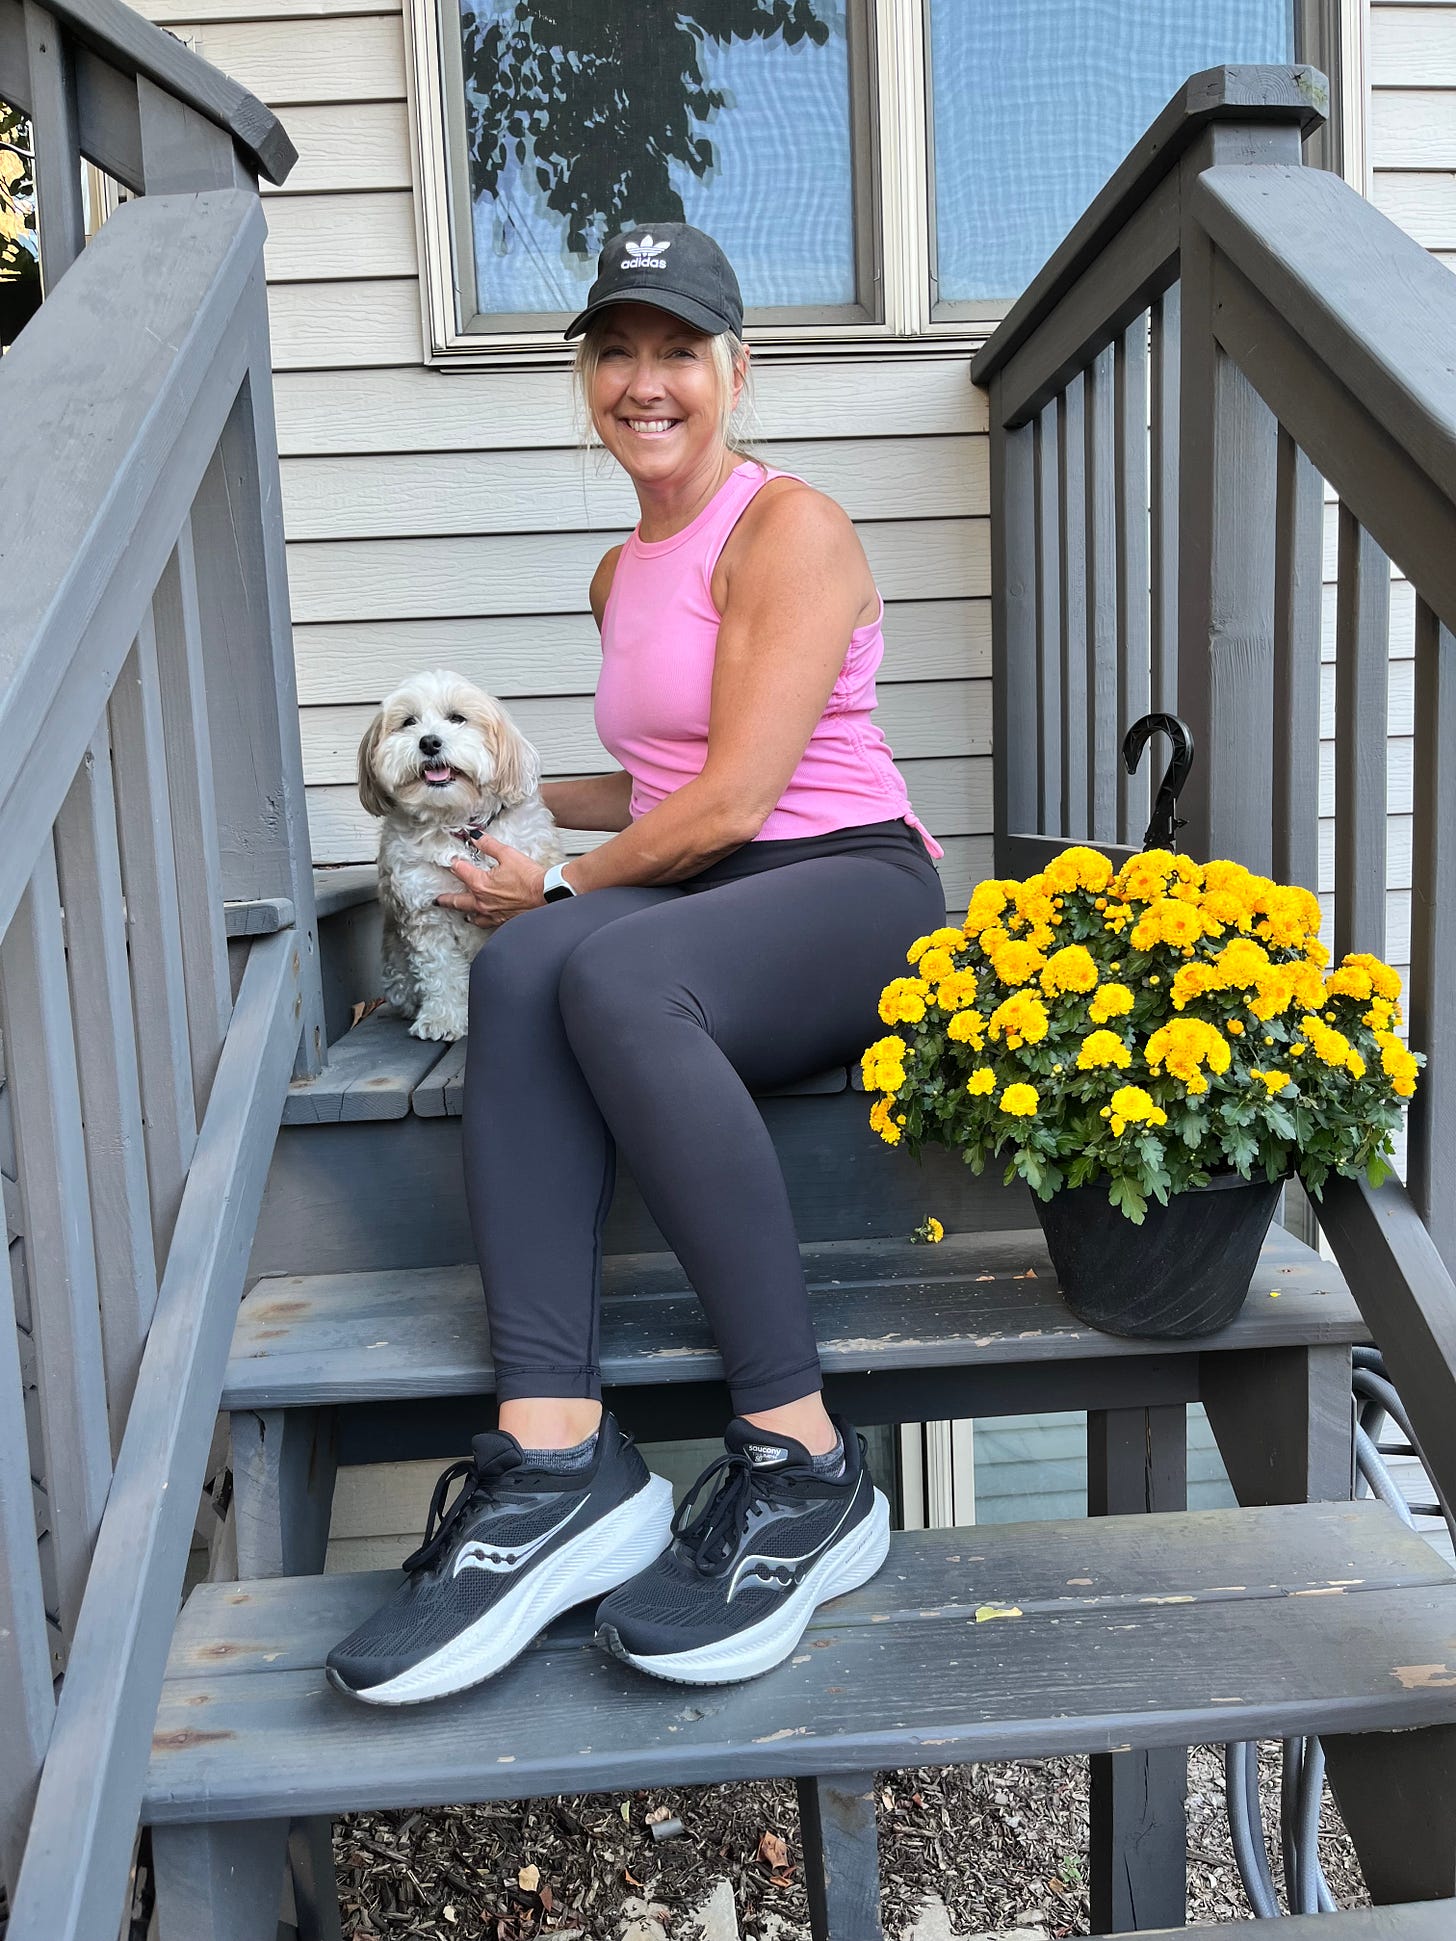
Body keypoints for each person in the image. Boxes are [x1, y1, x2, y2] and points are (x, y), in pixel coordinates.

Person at [326, 223, 946, 1707]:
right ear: (588, 378)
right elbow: (655, 781)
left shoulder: (789, 527)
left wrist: (553, 877)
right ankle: (557, 1457)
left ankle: (802, 1459)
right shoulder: (621, 569)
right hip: (704, 888)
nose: (645, 381)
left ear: (737, 367)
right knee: (523, 971)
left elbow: (735, 798)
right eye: (616, 351)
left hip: (847, 885)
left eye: (678, 350)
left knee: (595, 966)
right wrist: (490, 801)